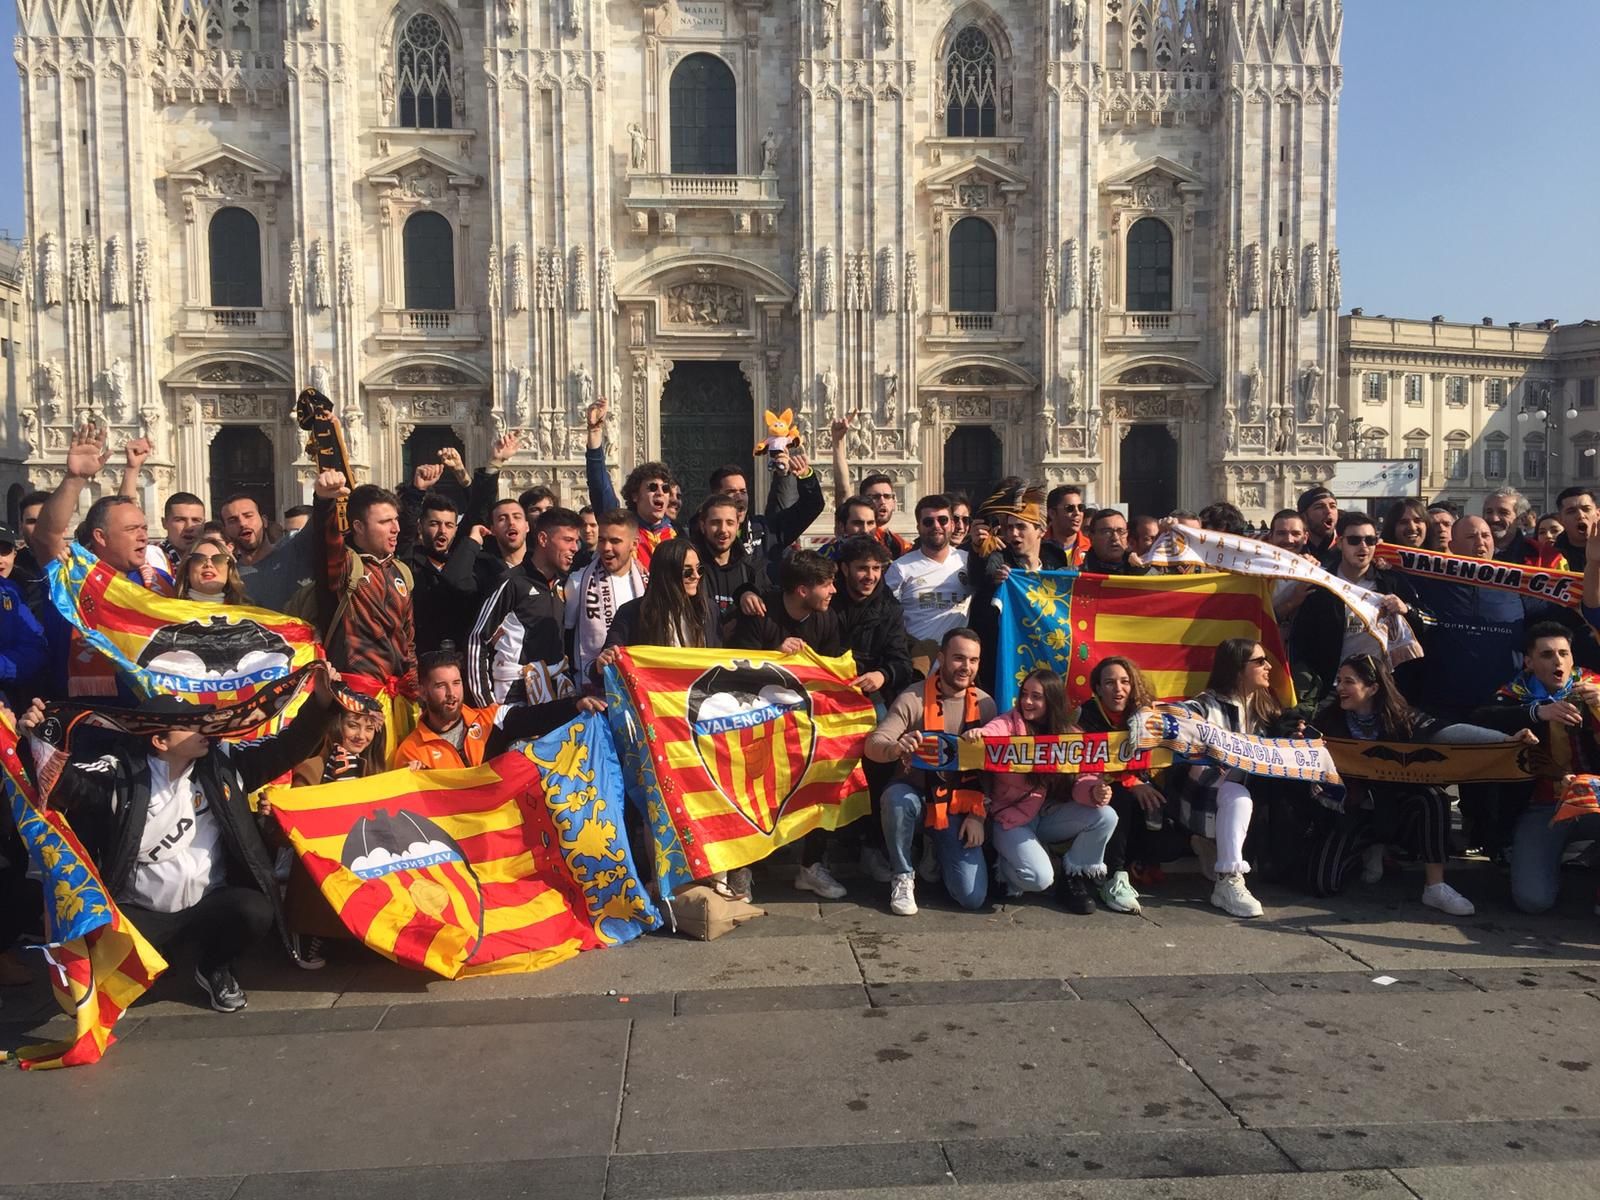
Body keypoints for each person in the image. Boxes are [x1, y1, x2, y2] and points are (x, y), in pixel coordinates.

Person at [18, 667, 338, 1011]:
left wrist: (321, 702)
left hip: (209, 903)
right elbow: (63, 785)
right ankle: (153, 961)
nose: (204, 729)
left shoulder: (224, 764)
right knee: (123, 993)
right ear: (160, 741)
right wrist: (34, 737)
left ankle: (214, 967)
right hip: (139, 913)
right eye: (190, 724)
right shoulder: (118, 773)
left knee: (255, 910)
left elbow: (286, 748)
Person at [1309, 654, 1521, 914]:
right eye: (1339, 680)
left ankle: (1435, 887)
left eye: (1349, 681)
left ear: (1373, 688)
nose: (1340, 687)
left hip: (1398, 811)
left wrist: (1506, 740)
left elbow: (1448, 733)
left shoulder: (1402, 718)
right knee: (1323, 884)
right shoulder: (1329, 720)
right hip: (1353, 812)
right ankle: (1370, 850)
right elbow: (1300, 739)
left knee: (1434, 797)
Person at [29, 425, 175, 699]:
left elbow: (122, 512)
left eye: (144, 528)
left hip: (152, 716)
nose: (144, 536)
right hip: (90, 717)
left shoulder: (159, 581)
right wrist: (74, 479)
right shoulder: (73, 577)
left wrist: (133, 470)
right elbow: (46, 536)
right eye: (133, 531)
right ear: (101, 538)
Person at [1472, 623, 1600, 914]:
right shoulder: (1515, 694)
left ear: (1572, 659)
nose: (1557, 662)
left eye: (1563, 654)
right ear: (1529, 663)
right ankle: (1545, 853)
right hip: (1544, 807)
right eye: (1546, 655)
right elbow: (1481, 719)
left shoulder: (1594, 684)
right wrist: (1537, 712)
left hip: (1595, 799)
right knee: (1533, 901)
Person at [969, 668, 1118, 914]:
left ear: (1052, 700)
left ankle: (1072, 877)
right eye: (1024, 694)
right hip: (1011, 819)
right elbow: (993, 734)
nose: (1027, 701)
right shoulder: (1009, 722)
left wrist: (1094, 792)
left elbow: (1084, 777)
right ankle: (1004, 870)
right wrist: (980, 735)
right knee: (1038, 879)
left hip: (1048, 816)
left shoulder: (1070, 735)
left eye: (1036, 696)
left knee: (1106, 816)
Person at [1167, 638, 1294, 919]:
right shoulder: (1208, 704)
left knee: (1245, 795)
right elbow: (1181, 717)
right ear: (1238, 668)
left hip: (1246, 794)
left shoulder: (1266, 707)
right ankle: (1229, 880)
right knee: (1238, 796)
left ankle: (1212, 847)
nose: (1268, 666)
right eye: (1259, 661)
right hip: (1203, 792)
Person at [311, 470, 418, 746]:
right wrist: (324, 502)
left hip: (398, 699)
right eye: (384, 522)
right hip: (354, 703)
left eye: (395, 520)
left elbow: (408, 641)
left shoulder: (401, 572)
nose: (395, 528)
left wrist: (417, 690)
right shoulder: (346, 567)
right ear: (358, 527)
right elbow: (326, 543)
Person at [1289, 511, 1420, 716]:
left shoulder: (1390, 581)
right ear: (1340, 543)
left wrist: (1407, 610)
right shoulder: (1321, 585)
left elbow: (1426, 624)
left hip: (1383, 688)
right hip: (1333, 690)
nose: (1363, 547)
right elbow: (1303, 643)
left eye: (1370, 540)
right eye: (1354, 540)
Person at [393, 650, 597, 771]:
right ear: (422, 692)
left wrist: (575, 705)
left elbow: (535, 717)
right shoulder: (411, 751)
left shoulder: (490, 719)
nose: (451, 693)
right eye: (440, 686)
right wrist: (411, 779)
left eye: (456, 683)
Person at [1077, 656, 1168, 911]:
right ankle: (1113, 876)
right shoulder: (1085, 716)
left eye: (1125, 682)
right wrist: (1130, 781)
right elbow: (1085, 764)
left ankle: (1138, 864)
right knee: (1120, 797)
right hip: (1097, 790)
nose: (1119, 689)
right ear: (1097, 688)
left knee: (1160, 807)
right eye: (1110, 683)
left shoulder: (1144, 712)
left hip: (1143, 783)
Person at [467, 507, 582, 707]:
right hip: (515, 695)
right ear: (543, 539)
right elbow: (477, 639)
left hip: (558, 689)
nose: (575, 548)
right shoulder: (511, 582)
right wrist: (486, 704)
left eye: (576, 541)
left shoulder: (564, 583)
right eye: (568, 540)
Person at [970, 483, 1067, 696]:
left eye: (1021, 527)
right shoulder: (998, 563)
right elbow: (980, 576)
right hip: (1007, 668)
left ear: (1041, 530)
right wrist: (994, 585)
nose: (1013, 533)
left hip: (1050, 669)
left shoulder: (1059, 570)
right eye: (1009, 527)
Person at [586, 397, 677, 569]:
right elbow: (599, 487)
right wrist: (595, 433)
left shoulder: (676, 536)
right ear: (635, 495)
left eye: (665, 489)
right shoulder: (622, 526)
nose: (660, 493)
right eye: (652, 487)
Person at [882, 494, 972, 666]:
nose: (936, 526)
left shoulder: (968, 562)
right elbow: (886, 618)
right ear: (918, 526)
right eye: (928, 522)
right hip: (917, 663)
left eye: (943, 520)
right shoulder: (901, 568)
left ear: (952, 524)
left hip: (957, 666)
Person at [598, 536, 722, 659]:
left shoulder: (708, 610)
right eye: (687, 572)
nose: (696, 576)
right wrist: (603, 662)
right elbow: (607, 661)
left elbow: (719, 660)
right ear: (667, 575)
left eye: (699, 570)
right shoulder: (630, 613)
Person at [565, 509, 647, 680]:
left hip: (640, 686)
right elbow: (566, 634)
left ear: (634, 544)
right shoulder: (578, 582)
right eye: (602, 540)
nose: (606, 548)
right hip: (593, 691)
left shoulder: (648, 583)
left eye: (615, 541)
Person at [402, 490, 484, 655]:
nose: (442, 531)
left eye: (449, 525)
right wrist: (415, 491)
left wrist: (490, 472)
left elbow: (479, 509)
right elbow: (403, 532)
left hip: (462, 660)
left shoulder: (469, 563)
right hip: (422, 660)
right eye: (434, 524)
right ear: (420, 526)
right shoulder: (407, 563)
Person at [707, 452, 824, 567]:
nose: (739, 498)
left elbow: (812, 506)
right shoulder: (701, 537)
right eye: (731, 492)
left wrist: (805, 476)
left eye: (743, 492)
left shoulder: (766, 530)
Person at [831, 417, 911, 556]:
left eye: (887, 496)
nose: (882, 501)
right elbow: (843, 490)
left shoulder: (898, 545)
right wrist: (838, 442)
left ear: (894, 501)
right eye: (874, 497)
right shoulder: (851, 536)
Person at [1484, 488, 1566, 569]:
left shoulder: (1547, 557)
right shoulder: (1472, 551)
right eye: (1489, 512)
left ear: (1521, 519)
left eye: (1503, 512)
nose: (1494, 518)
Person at [176, 533, 250, 606]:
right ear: (187, 570)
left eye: (219, 559)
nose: (209, 564)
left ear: (229, 570)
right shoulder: (168, 613)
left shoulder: (250, 614)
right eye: (198, 558)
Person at [1080, 508, 1151, 575]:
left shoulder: (1146, 574)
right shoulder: (1075, 577)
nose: (1115, 538)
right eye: (1107, 532)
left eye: (1121, 531)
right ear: (1091, 537)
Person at [219, 493, 275, 568]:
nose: (242, 523)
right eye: (233, 520)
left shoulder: (291, 557)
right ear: (225, 530)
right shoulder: (230, 577)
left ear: (264, 521)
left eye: (248, 516)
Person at [1045, 485, 1091, 566]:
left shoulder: (1091, 548)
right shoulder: (1037, 546)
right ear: (1052, 513)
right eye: (1070, 508)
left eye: (1080, 508)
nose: (1077, 513)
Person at [1554, 487, 1597, 572]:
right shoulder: (1551, 557)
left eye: (1586, 509)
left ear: (1598, 514)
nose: (1581, 515)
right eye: (1571, 511)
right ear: (1560, 520)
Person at [159, 492, 207, 566]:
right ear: (164, 523)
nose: (189, 527)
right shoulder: (152, 560)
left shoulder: (212, 562)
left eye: (196, 520)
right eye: (180, 520)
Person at [1297, 486, 1339, 559]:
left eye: (1332, 506)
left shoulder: (1347, 549)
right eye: (1319, 507)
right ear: (1303, 517)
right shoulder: (1295, 549)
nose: (1328, 511)